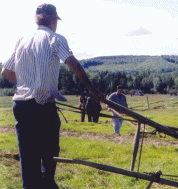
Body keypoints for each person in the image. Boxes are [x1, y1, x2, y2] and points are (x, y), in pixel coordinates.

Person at [1, 4, 105, 189]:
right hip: (41, 104)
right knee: (49, 151)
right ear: (53, 20)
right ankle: (47, 183)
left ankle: (32, 186)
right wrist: (91, 88)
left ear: (37, 19)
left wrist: (25, 84)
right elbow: (71, 61)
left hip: (20, 105)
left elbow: (6, 71)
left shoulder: (22, 40)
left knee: (28, 153)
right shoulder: (54, 38)